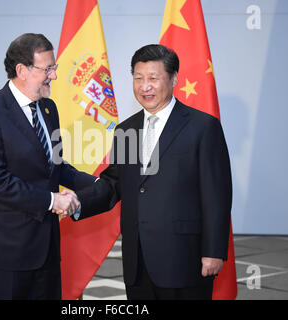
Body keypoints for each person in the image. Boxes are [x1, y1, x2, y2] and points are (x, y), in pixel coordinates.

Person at [67, 44, 232, 300]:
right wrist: (76, 203)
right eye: (138, 78)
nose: (145, 86)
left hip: (184, 259)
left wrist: (213, 251)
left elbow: (217, 196)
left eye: (154, 79)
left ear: (174, 78)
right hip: (138, 260)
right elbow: (114, 183)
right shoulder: (126, 130)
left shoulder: (203, 127)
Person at [0, 33, 95, 300]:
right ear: (21, 70)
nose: (54, 76)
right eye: (47, 69)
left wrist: (99, 183)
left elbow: (56, 166)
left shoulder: (49, 108)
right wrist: (51, 200)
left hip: (46, 245)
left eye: (54, 67)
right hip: (6, 249)